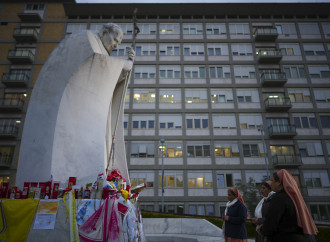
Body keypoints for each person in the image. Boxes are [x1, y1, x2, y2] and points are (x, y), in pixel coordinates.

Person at [16, 23, 135, 187]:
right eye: (115, 40)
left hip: (87, 116)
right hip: (69, 117)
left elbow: (101, 80)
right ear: (104, 31)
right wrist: (123, 65)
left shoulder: (100, 49)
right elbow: (96, 64)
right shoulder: (86, 40)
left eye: (118, 43)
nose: (115, 45)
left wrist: (124, 71)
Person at [261, 169, 318, 241]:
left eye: (272, 181)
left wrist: (263, 230)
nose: (271, 183)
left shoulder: (279, 198)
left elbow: (271, 223)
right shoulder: (293, 198)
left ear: (278, 182)